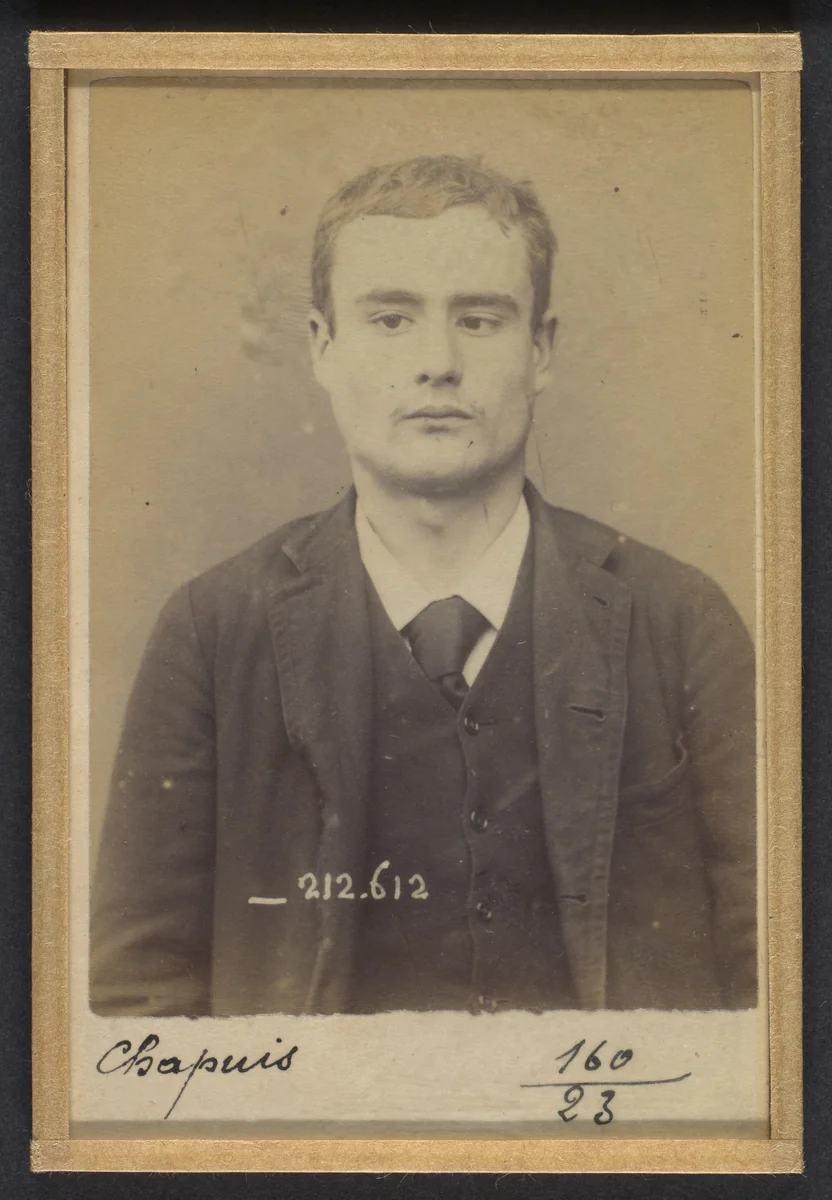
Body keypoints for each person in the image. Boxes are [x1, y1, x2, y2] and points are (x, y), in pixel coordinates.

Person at [91, 154, 757, 1018]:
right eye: (391, 320)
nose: (437, 363)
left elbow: (783, 980)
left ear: (541, 349)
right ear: (322, 348)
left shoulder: (681, 623)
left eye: (480, 320)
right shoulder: (212, 632)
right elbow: (136, 998)